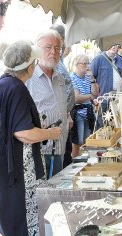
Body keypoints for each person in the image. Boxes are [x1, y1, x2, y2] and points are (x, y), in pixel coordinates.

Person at [0, 40, 61, 236]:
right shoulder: (16, 88)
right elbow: (23, 133)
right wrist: (51, 132)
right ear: (28, 66)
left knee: (4, 216)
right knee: (15, 218)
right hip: (13, 163)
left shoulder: (0, 83)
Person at [24, 29, 69, 236]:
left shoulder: (60, 78)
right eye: (48, 47)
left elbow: (65, 108)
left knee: (54, 196)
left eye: (57, 48)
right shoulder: (29, 79)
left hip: (59, 146)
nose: (53, 52)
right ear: (37, 50)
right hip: (38, 150)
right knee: (36, 196)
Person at [49, 24, 75, 168]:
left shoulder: (61, 61)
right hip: (58, 120)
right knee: (63, 158)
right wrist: (66, 113)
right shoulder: (54, 63)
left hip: (65, 116)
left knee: (66, 155)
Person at [70, 54, 99, 157]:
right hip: (78, 113)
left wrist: (92, 78)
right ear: (77, 64)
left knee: (87, 141)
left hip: (88, 112)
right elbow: (77, 98)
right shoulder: (72, 77)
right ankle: (74, 164)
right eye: (84, 63)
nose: (87, 66)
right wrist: (90, 97)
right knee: (77, 142)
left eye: (88, 63)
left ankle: (83, 162)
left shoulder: (87, 77)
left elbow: (95, 93)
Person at [90, 44, 122, 127]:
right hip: (103, 98)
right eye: (111, 44)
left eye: (115, 45)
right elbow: (91, 78)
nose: (113, 47)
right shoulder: (98, 59)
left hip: (118, 98)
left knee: (117, 124)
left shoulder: (120, 59)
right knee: (103, 125)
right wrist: (93, 98)